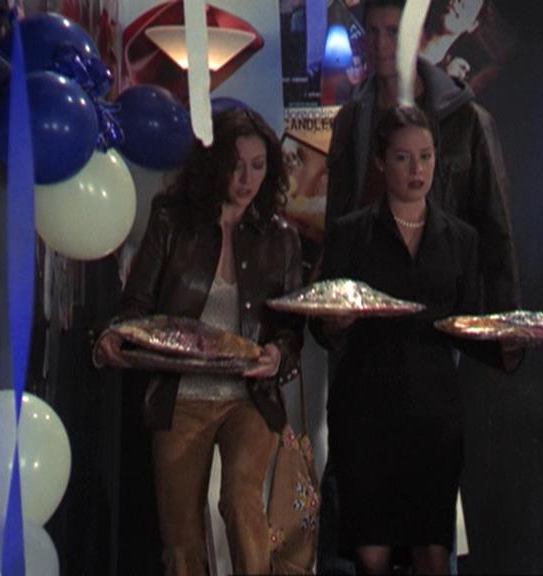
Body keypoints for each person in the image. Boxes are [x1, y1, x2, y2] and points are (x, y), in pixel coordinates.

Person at [95, 108, 304, 575]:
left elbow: (291, 333)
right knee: (181, 538)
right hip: (181, 396)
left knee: (241, 499)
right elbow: (137, 305)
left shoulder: (282, 239)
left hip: (248, 396)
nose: (246, 179)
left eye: (257, 166)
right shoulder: (172, 220)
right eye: (235, 165)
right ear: (214, 164)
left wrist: (278, 355)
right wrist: (116, 335)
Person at [312, 105, 516, 575]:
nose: (416, 169)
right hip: (364, 411)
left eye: (425, 156)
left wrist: (510, 344)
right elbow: (322, 323)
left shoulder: (460, 239)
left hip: (432, 415)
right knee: (371, 555)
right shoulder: (350, 233)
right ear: (381, 162)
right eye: (403, 158)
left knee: (432, 552)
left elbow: (466, 326)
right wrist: (334, 324)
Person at [326, 0, 519, 313]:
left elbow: (497, 230)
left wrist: (504, 322)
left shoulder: (466, 120)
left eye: (393, 32)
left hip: (441, 298)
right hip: (366, 302)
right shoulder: (351, 120)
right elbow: (337, 220)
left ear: (415, 35)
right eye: (372, 32)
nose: (381, 44)